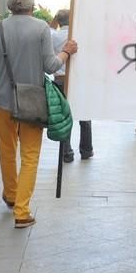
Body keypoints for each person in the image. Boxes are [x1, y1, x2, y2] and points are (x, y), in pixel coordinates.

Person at [0, 0, 77, 228]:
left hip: (2, 102)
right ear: (31, 7)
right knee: (30, 156)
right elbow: (52, 66)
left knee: (7, 152)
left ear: (10, 7)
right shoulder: (41, 28)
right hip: (33, 102)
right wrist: (66, 52)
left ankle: (11, 195)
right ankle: (22, 211)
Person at [48, 9, 92, 162]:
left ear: (58, 21)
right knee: (84, 113)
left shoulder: (53, 35)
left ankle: (67, 153)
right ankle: (86, 149)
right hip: (78, 78)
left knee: (64, 116)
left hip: (60, 79)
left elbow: (50, 28)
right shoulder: (77, 36)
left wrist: (55, 20)